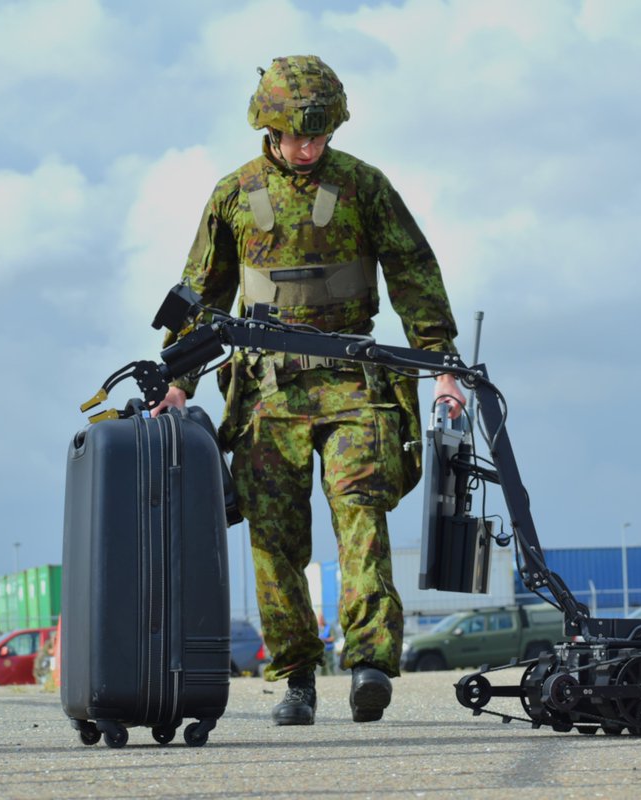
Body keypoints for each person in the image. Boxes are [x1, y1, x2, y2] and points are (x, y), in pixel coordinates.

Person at [153, 55, 465, 725]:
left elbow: (414, 273)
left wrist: (442, 366)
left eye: (320, 136)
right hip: (268, 396)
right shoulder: (235, 194)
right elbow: (202, 294)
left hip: (356, 384)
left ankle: (371, 664)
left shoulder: (362, 186)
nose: (308, 148)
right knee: (273, 539)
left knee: (362, 518)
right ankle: (296, 677)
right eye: (297, 136)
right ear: (268, 128)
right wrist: (177, 382)